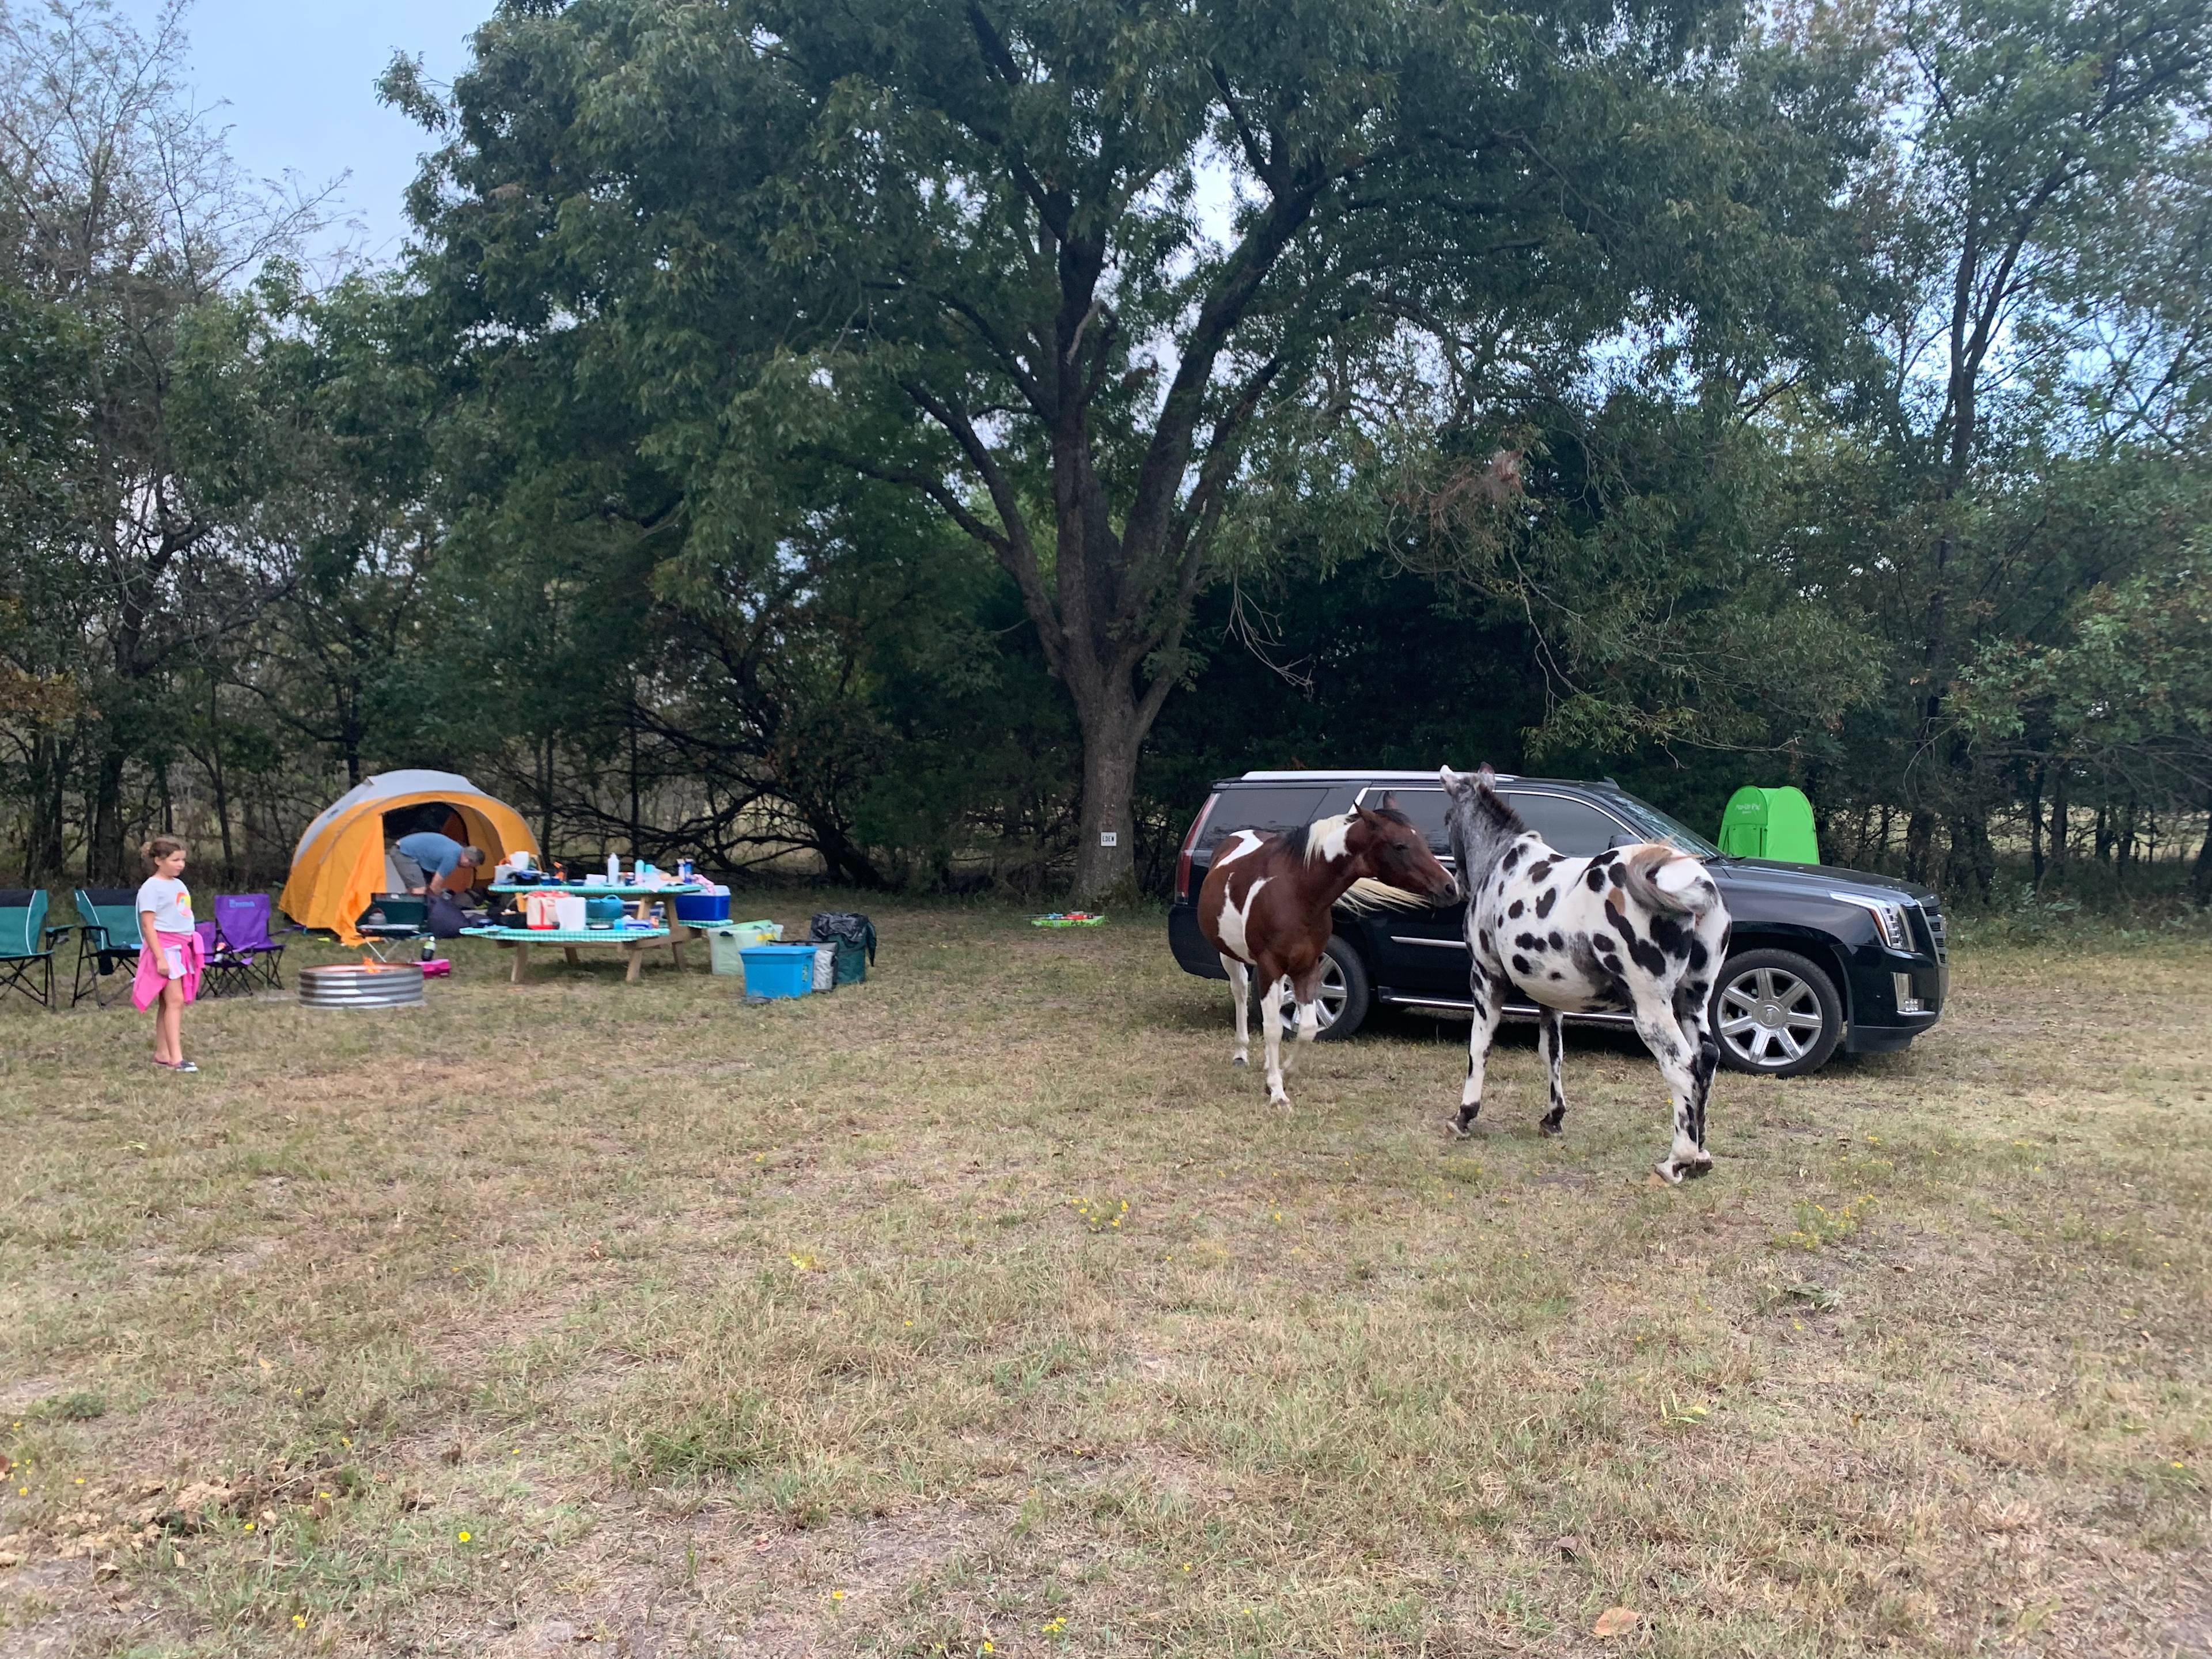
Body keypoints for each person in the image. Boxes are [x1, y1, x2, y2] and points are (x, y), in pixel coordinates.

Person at [132, 835, 204, 1073]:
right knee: (176, 1001)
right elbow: (148, 926)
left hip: (182, 948)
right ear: (158, 861)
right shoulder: (151, 888)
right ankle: (177, 1058)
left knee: (167, 1002)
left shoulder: (178, 885)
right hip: (165, 949)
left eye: (183, 860)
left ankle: (162, 1052)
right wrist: (161, 957)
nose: (181, 865)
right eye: (175, 860)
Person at [390, 831, 485, 896]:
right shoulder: (452, 858)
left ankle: (407, 910)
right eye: (470, 866)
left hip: (410, 853)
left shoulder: (456, 849)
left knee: (420, 888)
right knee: (419, 889)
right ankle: (414, 918)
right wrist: (442, 904)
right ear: (468, 860)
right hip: (404, 852)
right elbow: (435, 886)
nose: (468, 868)